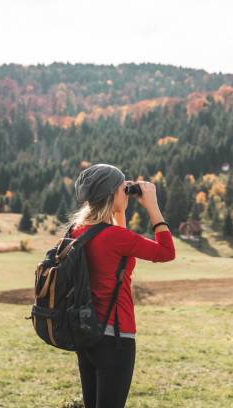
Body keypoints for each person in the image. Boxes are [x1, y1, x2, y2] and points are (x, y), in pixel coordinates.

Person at [66, 163, 175, 408]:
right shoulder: (116, 238)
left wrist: (119, 212)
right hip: (116, 338)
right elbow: (167, 252)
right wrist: (152, 206)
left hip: (86, 332)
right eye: (121, 189)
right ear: (112, 194)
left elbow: (118, 260)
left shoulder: (77, 231)